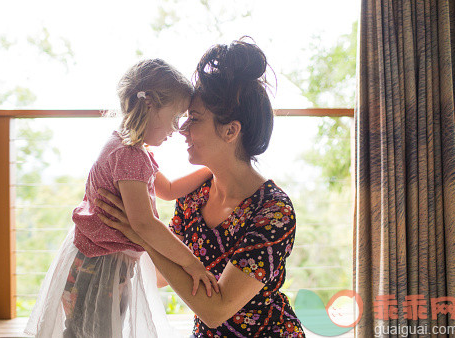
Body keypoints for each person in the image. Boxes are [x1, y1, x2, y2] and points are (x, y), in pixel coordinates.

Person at [97, 38, 305, 337]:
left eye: (193, 119)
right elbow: (162, 273)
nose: (181, 129)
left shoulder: (274, 212)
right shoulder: (195, 196)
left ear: (231, 131)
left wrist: (139, 232)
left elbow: (215, 310)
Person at [25, 58, 219, 338]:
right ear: (150, 105)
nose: (177, 129)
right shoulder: (130, 156)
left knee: (83, 331)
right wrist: (192, 263)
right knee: (93, 333)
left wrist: (211, 169)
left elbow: (167, 190)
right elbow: (145, 224)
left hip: (94, 261)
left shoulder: (126, 148)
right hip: (100, 266)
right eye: (175, 117)